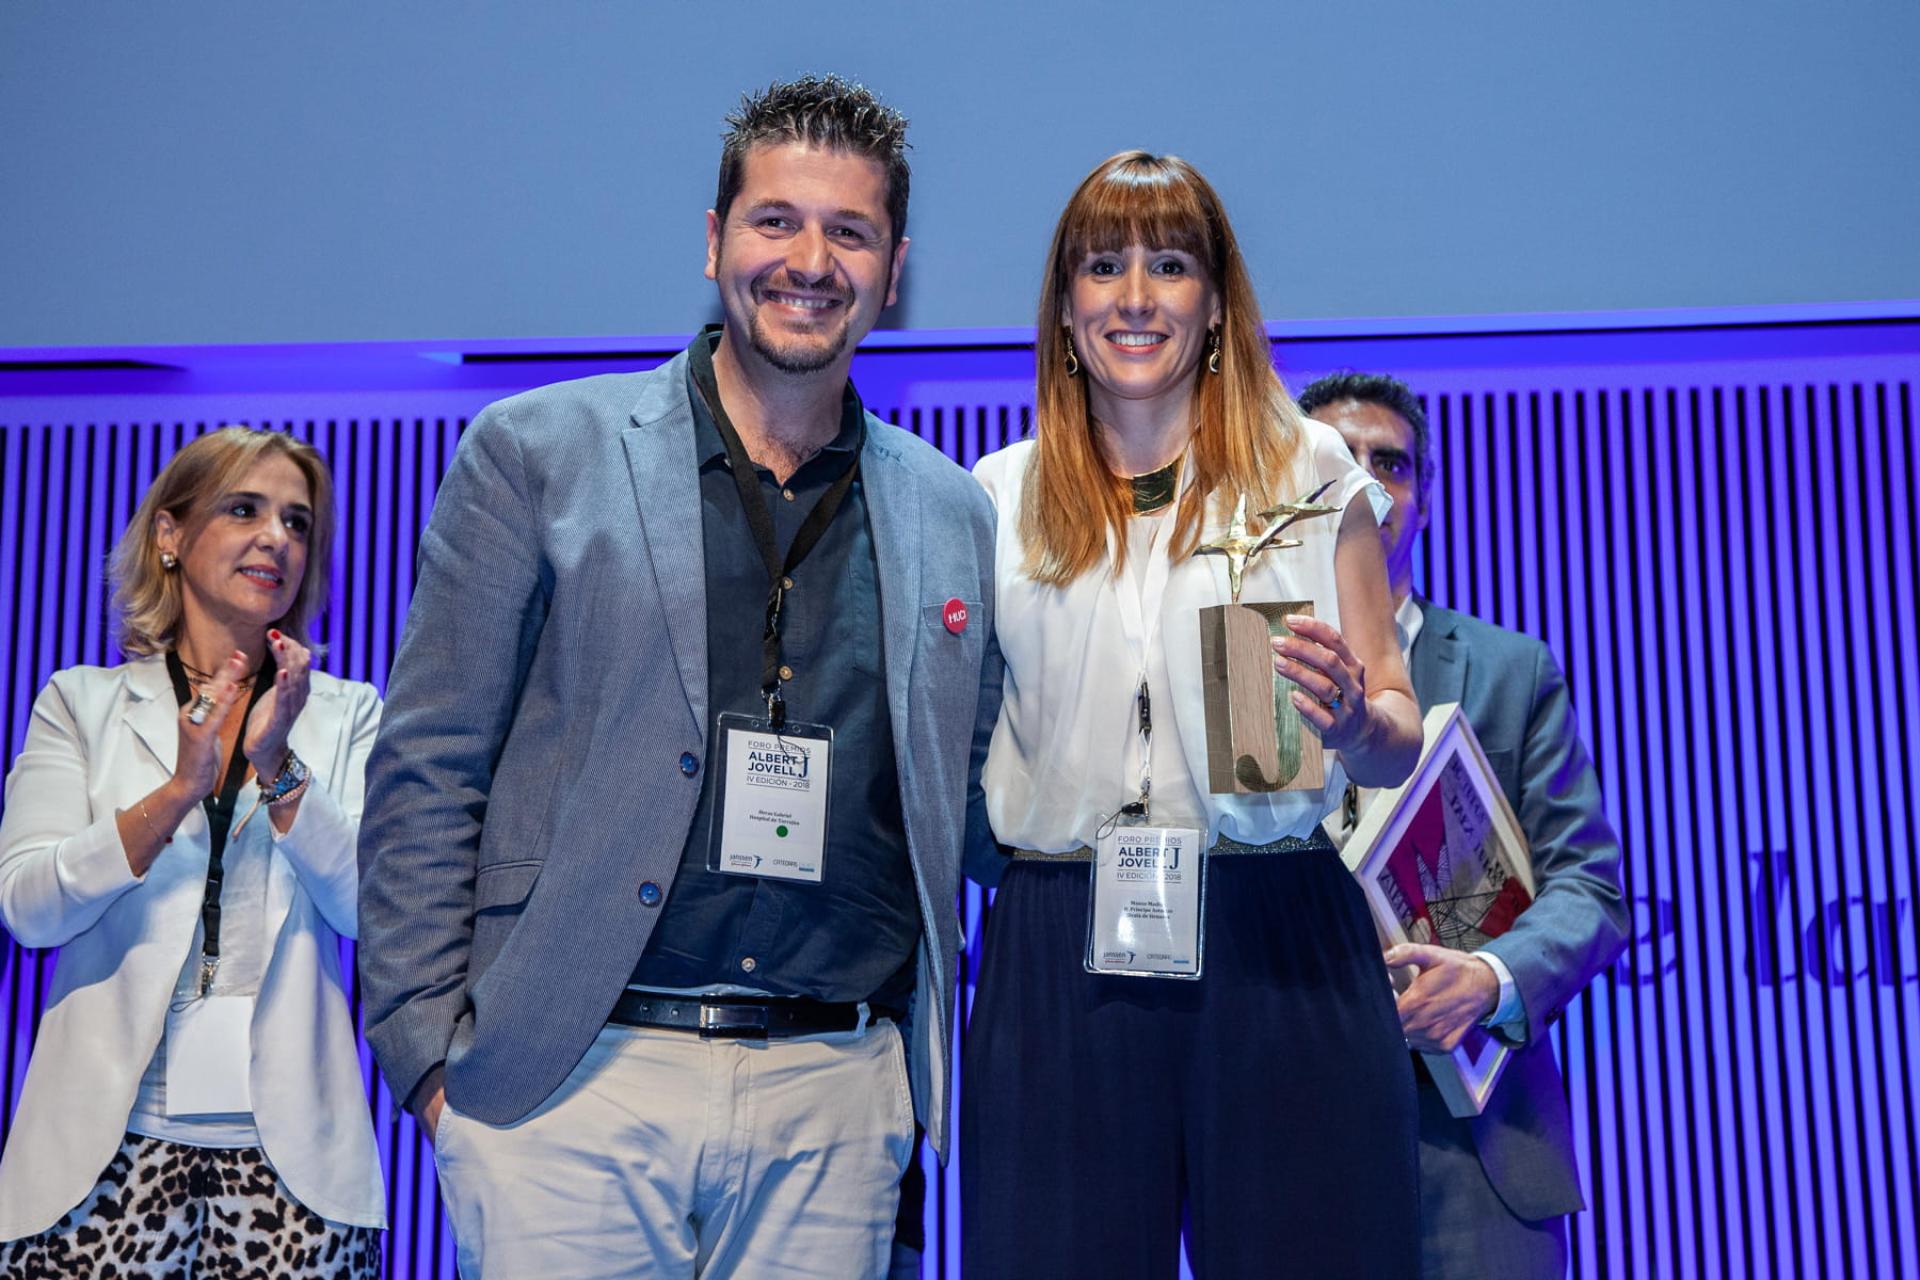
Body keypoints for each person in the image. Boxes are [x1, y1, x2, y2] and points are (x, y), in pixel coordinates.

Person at [356, 75, 1000, 1280]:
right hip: (571, 1083)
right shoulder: (535, 452)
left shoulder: (952, 510)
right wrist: (429, 1055)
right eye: (776, 221)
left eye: (849, 232)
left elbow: (973, 796)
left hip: (837, 1096)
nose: (809, 261)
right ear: (714, 242)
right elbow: (429, 764)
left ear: (894, 270)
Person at [961, 152, 1424, 1279]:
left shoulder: (1309, 469)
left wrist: (1355, 723)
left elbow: (1396, 728)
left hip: (1279, 929)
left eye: (1169, 266)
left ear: (1216, 304)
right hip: (1060, 935)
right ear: (1063, 307)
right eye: (1102, 267)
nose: (1135, 298)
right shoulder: (995, 495)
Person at [0, 427, 383, 1276]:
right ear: (169, 534)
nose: (276, 537)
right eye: (244, 509)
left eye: (297, 522)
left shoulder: (347, 713)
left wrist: (278, 767)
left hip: (295, 1163)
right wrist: (178, 791)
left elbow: (369, 909)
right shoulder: (81, 703)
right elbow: (28, 909)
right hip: (97, 1154)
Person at [1297, 370, 1629, 1280]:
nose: (1368, 483)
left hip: (1478, 1149)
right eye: (1337, 461)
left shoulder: (1510, 670)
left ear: (1426, 498)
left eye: (1392, 464)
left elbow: (1591, 887)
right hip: (1287, 1137)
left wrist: (1489, 979)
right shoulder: (1236, 664)